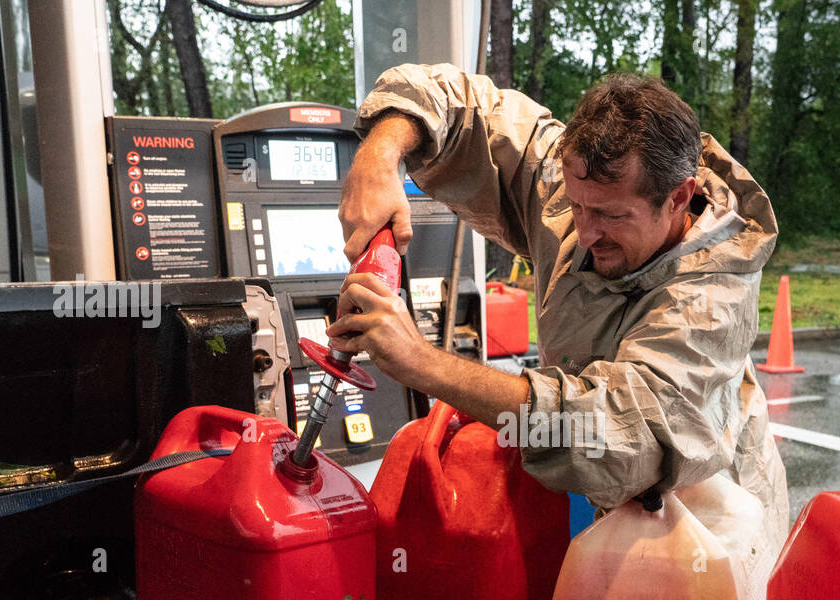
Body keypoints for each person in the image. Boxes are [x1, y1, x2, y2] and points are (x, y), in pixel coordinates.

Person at [329, 62, 787, 531]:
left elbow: (620, 436)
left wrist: (423, 364)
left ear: (677, 198)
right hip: (605, 521)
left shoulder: (711, 299)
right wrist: (378, 159)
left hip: (709, 531)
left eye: (611, 216)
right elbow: (452, 100)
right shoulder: (574, 173)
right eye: (576, 206)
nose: (584, 235)